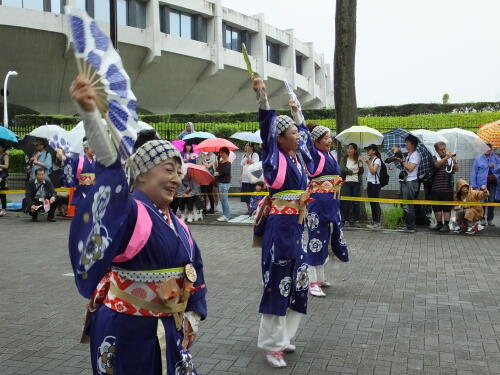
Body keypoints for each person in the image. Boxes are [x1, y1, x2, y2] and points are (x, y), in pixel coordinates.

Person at [70, 75, 207, 375]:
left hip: (168, 326)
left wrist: (192, 315)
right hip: (128, 330)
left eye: (179, 172)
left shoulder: (178, 225)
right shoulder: (130, 213)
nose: (176, 178)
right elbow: (112, 172)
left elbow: (193, 269)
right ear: (141, 174)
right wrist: (92, 116)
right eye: (168, 170)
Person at [253, 76, 310, 368]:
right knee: (278, 281)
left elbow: (307, 136)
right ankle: (271, 346)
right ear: (279, 138)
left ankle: (286, 338)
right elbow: (266, 129)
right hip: (279, 226)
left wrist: (297, 111)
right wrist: (263, 97)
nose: (298, 136)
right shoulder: (273, 157)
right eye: (292, 132)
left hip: (297, 227)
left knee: (299, 281)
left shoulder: (299, 159)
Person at [300, 120, 348, 298]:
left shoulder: (329, 155)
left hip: (331, 203)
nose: (330, 140)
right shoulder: (313, 154)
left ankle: (320, 277)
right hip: (318, 203)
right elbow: (304, 138)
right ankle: (311, 282)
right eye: (326, 137)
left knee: (327, 238)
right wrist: (298, 114)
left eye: (330, 137)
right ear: (317, 141)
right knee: (316, 241)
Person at [394, 134, 421, 233]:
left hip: (411, 182)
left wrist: (402, 161)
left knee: (409, 204)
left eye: (407, 143)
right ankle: (407, 224)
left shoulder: (416, 155)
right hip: (406, 181)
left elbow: (410, 168)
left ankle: (411, 226)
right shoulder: (408, 155)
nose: (406, 144)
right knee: (405, 204)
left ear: (413, 144)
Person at [430, 141, 459, 233]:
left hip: (447, 188)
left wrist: (454, 160)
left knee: (446, 208)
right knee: (436, 208)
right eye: (441, 150)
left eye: (444, 149)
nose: (443, 151)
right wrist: (446, 157)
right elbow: (437, 165)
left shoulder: (450, 159)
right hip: (435, 187)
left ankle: (446, 225)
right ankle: (439, 224)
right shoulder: (434, 158)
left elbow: (457, 169)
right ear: (436, 150)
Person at [471, 143, 500, 226]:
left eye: (489, 148)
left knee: (491, 201)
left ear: (491, 149)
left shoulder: (495, 158)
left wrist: (494, 166)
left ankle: (490, 219)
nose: (487, 150)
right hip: (481, 184)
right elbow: (474, 173)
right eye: (485, 148)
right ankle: (482, 218)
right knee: (482, 201)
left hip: (493, 184)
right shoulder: (478, 159)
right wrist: (474, 185)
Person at [63, 137, 96, 208]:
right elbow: (69, 164)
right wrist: (73, 185)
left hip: (93, 190)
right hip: (82, 190)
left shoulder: (95, 162)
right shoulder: (79, 160)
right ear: (86, 149)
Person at [340, 143, 363, 227]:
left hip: (356, 183)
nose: (349, 150)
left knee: (356, 202)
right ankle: (345, 219)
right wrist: (352, 172)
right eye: (348, 148)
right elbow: (343, 168)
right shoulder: (344, 159)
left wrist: (360, 163)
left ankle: (355, 220)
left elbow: (361, 171)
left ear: (355, 150)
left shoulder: (358, 159)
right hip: (346, 182)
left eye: (351, 149)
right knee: (345, 201)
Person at [364, 144, 382, 228]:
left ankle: (377, 222)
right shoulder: (372, 159)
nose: (368, 151)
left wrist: (368, 163)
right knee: (372, 203)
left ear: (374, 151)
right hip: (370, 183)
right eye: (367, 149)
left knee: (375, 203)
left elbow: (373, 171)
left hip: (375, 184)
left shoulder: (377, 160)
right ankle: (375, 221)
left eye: (369, 149)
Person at [240, 143, 260, 214]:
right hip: (244, 178)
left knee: (252, 195)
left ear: (251, 147)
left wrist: (248, 157)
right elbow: (242, 166)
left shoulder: (255, 155)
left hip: (251, 179)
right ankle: (249, 209)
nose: (245, 147)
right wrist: (241, 176)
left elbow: (256, 164)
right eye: (245, 146)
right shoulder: (243, 155)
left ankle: (253, 209)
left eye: (247, 146)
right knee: (245, 195)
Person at [215, 147, 231, 222]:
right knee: (222, 200)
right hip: (220, 182)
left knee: (224, 200)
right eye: (220, 153)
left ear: (226, 153)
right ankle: (225, 214)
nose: (221, 154)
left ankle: (226, 215)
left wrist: (218, 173)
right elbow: (217, 170)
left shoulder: (228, 162)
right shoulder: (221, 162)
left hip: (224, 183)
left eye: (222, 153)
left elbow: (225, 172)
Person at [0, 142, 10, 217]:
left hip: (2, 176)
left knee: (2, 193)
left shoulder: (5, 155)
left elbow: (6, 166)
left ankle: (3, 209)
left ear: (3, 148)